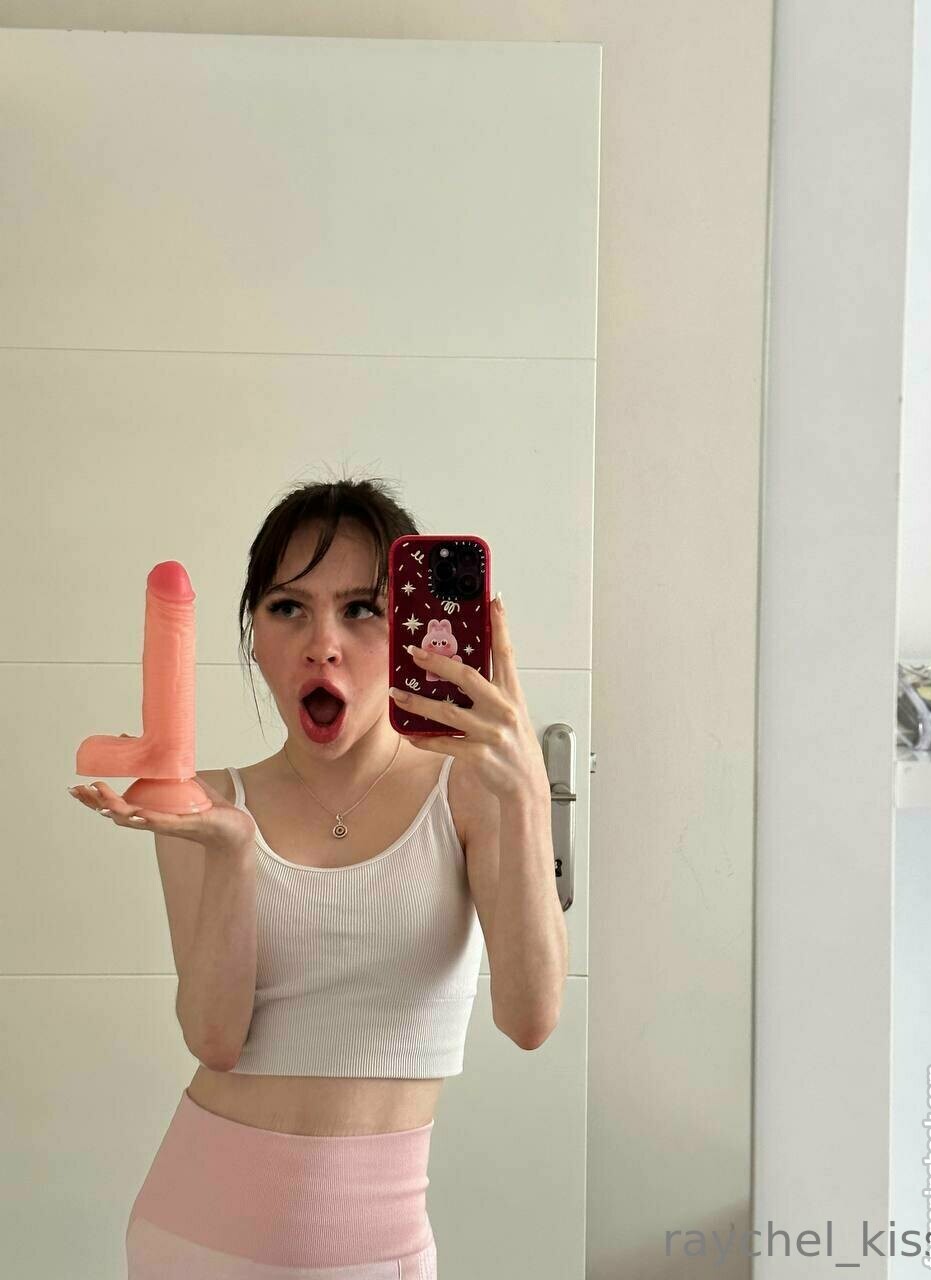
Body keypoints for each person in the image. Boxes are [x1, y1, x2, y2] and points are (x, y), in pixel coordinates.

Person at [69, 474, 564, 1277]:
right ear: (253, 637)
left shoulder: (470, 792)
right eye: (288, 607)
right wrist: (234, 851)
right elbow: (214, 1041)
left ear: (412, 631)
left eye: (362, 609)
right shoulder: (206, 802)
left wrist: (529, 794)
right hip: (192, 1239)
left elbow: (531, 1019)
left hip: (380, 1253)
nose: (322, 644)